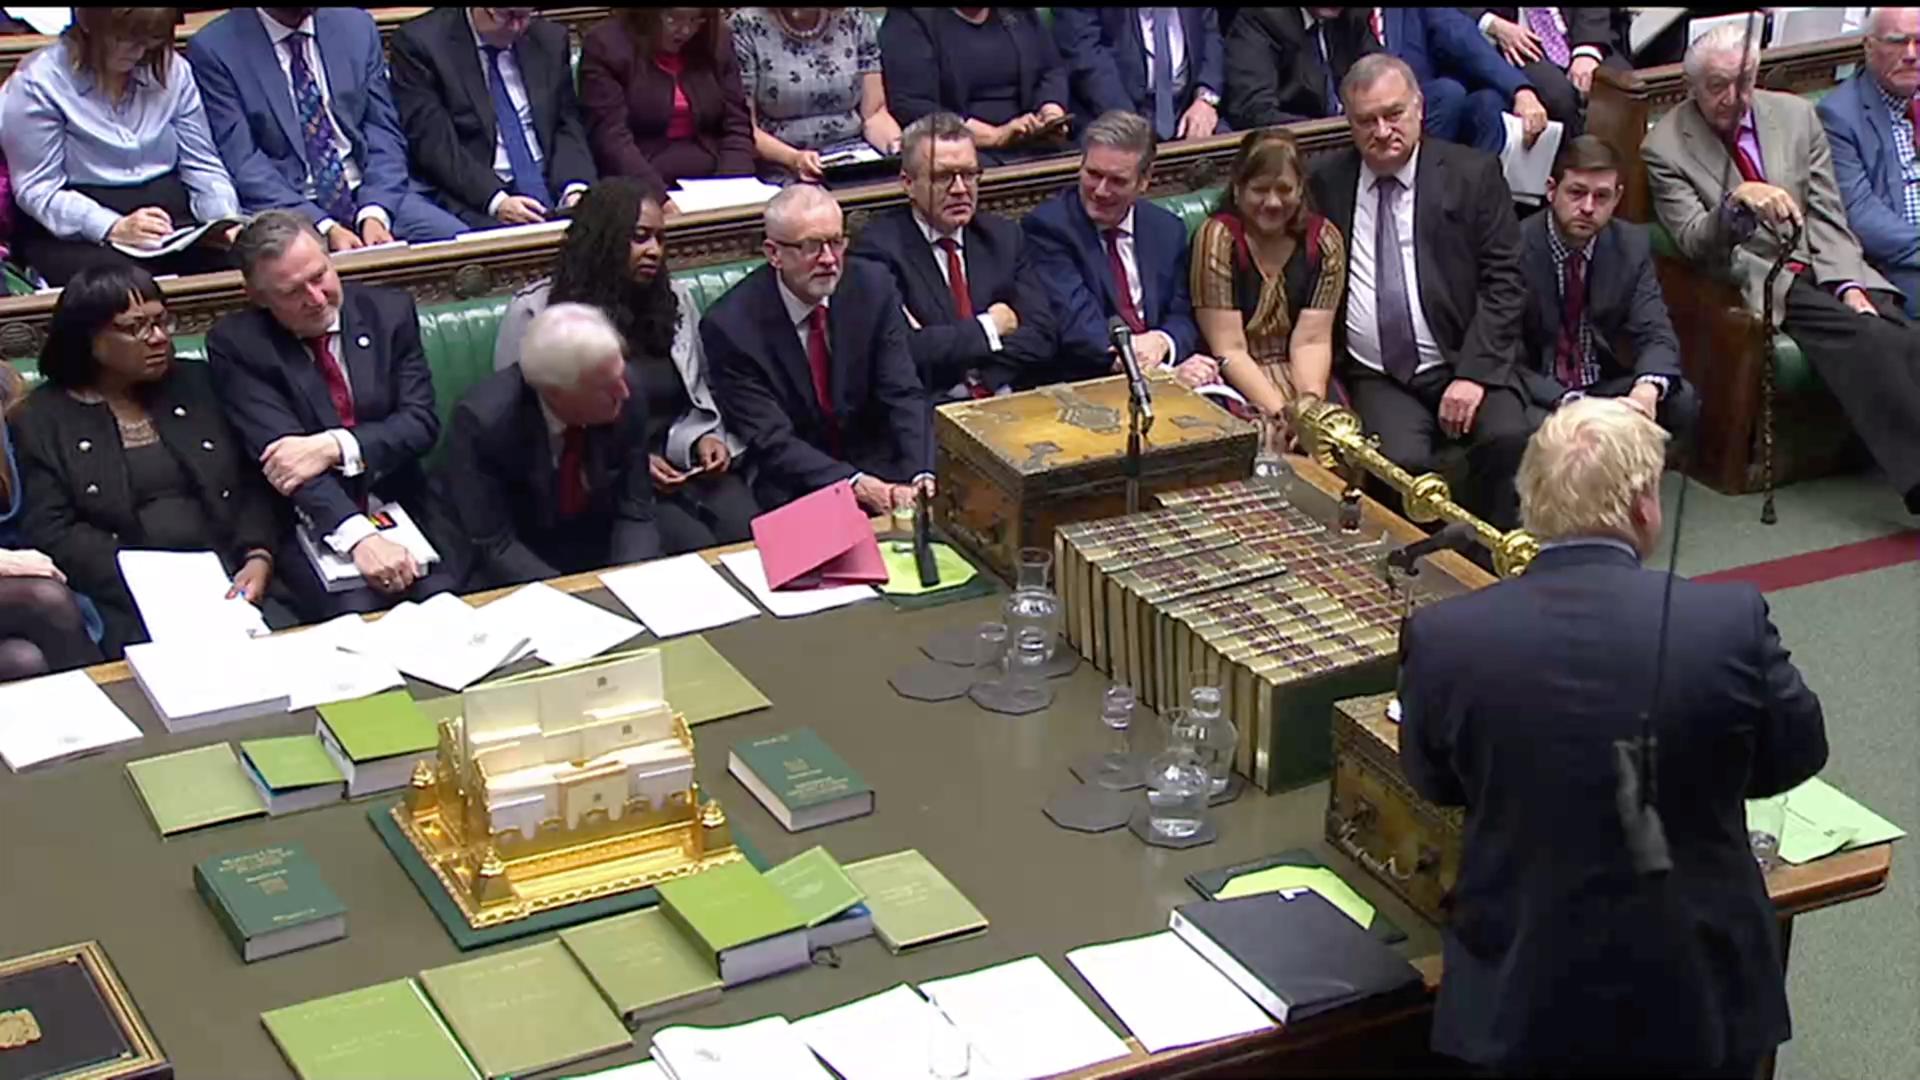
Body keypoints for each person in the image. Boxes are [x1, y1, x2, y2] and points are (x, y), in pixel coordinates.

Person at [1399, 396, 1828, 1077]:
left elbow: (1434, 782)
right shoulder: (1729, 621)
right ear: (1644, 505)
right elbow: (1798, 753)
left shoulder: (1445, 637)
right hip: (1698, 997)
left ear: (1530, 501)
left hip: (1522, 997)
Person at [1645, 24, 1920, 515]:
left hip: (1825, 258)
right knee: (1870, 340)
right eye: (1718, 86)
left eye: (1745, 82)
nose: (1734, 98)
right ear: (1693, 87)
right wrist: (1736, 204)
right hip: (1762, 275)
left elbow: (1828, 213)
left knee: (1904, 334)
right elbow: (1691, 239)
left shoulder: (1795, 115)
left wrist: (1849, 283)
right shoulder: (1665, 147)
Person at [12, 265, 290, 658]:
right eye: (134, 328)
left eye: (161, 321)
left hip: (236, 577)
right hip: (127, 598)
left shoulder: (200, 383)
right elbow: (52, 529)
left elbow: (252, 481)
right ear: (88, 338)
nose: (157, 337)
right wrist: (154, 581)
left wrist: (258, 554)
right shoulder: (42, 417)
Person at [1307, 54, 1532, 532]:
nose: (1382, 131)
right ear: (1349, 124)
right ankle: (1424, 565)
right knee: (1398, 464)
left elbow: (1505, 282)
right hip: (1379, 373)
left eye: (1394, 114)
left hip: (1463, 355)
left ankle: (1493, 558)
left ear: (1419, 107)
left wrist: (1473, 374)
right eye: (1366, 120)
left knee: (1508, 436)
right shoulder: (1327, 181)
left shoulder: (1473, 174)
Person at [207, 211, 468, 618]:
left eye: (320, 276)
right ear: (258, 297)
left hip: (403, 501)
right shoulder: (239, 345)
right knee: (356, 616)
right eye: (292, 292)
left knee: (446, 604)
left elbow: (419, 423)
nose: (316, 298)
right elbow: (287, 465)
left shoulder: (388, 312)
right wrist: (359, 538)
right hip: (310, 519)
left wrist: (335, 446)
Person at [492, 178, 758, 553]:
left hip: (683, 461)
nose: (654, 251)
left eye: (660, 239)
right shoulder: (539, 311)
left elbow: (701, 389)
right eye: (639, 237)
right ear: (604, 239)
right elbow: (525, 425)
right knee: (692, 546)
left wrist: (707, 438)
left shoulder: (675, 300)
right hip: (602, 480)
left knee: (750, 531)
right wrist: (632, 462)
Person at [700, 183, 932, 514]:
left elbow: (902, 392)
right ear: (774, 253)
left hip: (882, 463)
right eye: (811, 246)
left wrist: (921, 472)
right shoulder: (731, 326)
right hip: (797, 483)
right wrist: (856, 484)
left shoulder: (873, 287)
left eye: (836, 242)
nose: (828, 259)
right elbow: (771, 440)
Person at [185, 7, 467, 250]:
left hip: (371, 191)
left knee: (461, 248)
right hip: (287, 207)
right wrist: (324, 226)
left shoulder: (355, 26)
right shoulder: (216, 48)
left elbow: (383, 131)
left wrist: (375, 212)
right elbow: (244, 162)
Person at [0, 7, 241, 286]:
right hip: (76, 227)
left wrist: (223, 220)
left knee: (244, 259)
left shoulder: (173, 69)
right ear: (88, 24)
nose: (138, 51)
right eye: (124, 38)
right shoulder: (38, 82)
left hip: (172, 220)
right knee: (124, 283)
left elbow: (201, 163)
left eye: (150, 39)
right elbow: (38, 189)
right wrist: (112, 226)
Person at [448, 303, 663, 587]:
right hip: (519, 552)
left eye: (621, 375)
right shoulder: (484, 421)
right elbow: (494, 542)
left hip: (594, 535)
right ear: (556, 393)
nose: (622, 392)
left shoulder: (625, 391)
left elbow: (636, 506)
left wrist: (629, 580)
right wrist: (570, 595)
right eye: (606, 387)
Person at [849, 111, 1056, 397]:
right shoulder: (878, 249)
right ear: (908, 183)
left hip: (1005, 396)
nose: (960, 189)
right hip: (928, 407)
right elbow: (903, 352)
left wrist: (979, 374)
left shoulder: (1003, 237)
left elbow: (1042, 336)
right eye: (943, 177)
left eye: (969, 174)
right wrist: (990, 328)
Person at [1516, 135, 1694, 437]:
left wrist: (1645, 390)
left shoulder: (1630, 246)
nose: (1588, 207)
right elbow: (1504, 353)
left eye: (1601, 196)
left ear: (1617, 197)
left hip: (1602, 386)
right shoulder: (1516, 246)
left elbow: (1656, 332)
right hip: (1541, 392)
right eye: (1576, 193)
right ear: (1551, 189)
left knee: (1680, 400)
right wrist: (1569, 402)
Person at [1022, 110, 1208, 387]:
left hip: (1167, 367)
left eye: (1117, 180)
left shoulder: (1167, 229)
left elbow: (1184, 314)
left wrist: (1163, 341)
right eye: (1093, 174)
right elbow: (1078, 326)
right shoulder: (1048, 228)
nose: (1100, 191)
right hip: (1092, 381)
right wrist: (1158, 372)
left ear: (1144, 180)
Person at [1190, 128, 1345, 435]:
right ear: (1238, 189)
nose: (1273, 202)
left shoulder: (1324, 240)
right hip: (1235, 376)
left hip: (1303, 373)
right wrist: (1282, 415)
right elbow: (1228, 349)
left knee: (1335, 442)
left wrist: (1309, 411)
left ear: (1300, 190)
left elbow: (1312, 341)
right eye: (1260, 189)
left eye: (1285, 189)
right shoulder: (1218, 237)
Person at [388, 6, 597, 231]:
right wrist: (496, 201)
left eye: (524, 16)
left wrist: (573, 188)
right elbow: (434, 144)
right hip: (474, 195)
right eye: (507, 15)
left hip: (551, 185)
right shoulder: (422, 44)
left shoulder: (549, 39)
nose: (517, 27)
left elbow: (566, 123)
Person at [580, 8, 756, 201]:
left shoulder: (716, 41)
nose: (686, 30)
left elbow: (737, 125)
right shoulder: (606, 45)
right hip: (639, 183)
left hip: (715, 180)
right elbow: (611, 137)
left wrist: (731, 186)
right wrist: (658, 198)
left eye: (696, 20)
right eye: (674, 19)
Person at [1817, 6, 1920, 317]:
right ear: (1869, 46)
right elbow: (1861, 214)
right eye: (1897, 42)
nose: (1911, 54)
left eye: (1919, 41)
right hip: (1900, 266)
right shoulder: (1838, 115)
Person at [0, 365, 100, 679]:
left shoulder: (10, 393)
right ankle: (105, 703)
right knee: (43, 599)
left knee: (23, 660)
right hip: (23, 584)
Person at [728, 8, 903, 184]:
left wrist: (898, 149)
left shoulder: (855, 20)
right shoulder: (745, 27)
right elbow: (746, 129)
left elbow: (874, 114)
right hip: (785, 166)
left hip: (854, 160)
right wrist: (794, 158)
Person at [878, 8, 1072, 166]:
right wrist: (995, 136)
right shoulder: (910, 18)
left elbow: (1051, 69)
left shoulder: (1020, 13)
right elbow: (911, 104)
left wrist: (1051, 112)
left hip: (1032, 139)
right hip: (960, 149)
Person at [1371, 6, 1551, 158]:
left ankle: (1479, 187)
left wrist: (1520, 91)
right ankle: (1426, 184)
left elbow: (1459, 36)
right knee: (1447, 94)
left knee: (1487, 103)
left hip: (1423, 101)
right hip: (1370, 109)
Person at [1051, 8, 1227, 143]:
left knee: (1230, 153)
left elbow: (1211, 34)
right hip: (1112, 115)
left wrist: (1205, 99)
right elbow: (1086, 59)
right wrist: (1132, 125)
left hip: (1186, 109)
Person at [1463, 6, 1633, 130]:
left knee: (1626, 85)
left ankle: (1627, 165)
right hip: (1513, 40)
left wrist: (1587, 50)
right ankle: (1574, 163)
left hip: (1575, 30)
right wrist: (1492, 23)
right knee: (1557, 96)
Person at [1223, 8, 1379, 129]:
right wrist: (1323, 130)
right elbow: (1252, 110)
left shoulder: (1354, 14)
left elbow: (1380, 77)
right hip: (1295, 143)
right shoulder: (1261, 17)